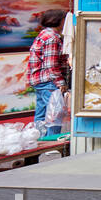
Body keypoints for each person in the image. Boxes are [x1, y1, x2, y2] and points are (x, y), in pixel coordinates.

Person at [25, 8, 69, 140]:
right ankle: (52, 142)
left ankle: (38, 139)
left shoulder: (43, 34)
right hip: (48, 81)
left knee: (41, 112)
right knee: (54, 113)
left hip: (39, 80)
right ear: (59, 21)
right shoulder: (52, 38)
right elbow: (51, 64)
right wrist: (61, 82)